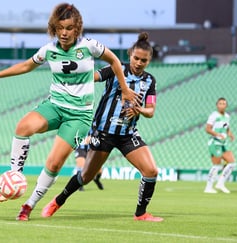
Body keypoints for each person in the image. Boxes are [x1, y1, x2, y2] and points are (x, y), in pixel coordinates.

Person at [0, 2, 137, 221]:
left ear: (77, 28)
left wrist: (126, 89)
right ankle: (14, 177)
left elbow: (115, 61)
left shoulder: (89, 46)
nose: (64, 32)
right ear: (54, 27)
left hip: (78, 115)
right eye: (60, 27)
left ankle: (29, 204)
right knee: (23, 127)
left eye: (69, 28)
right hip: (55, 105)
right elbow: (26, 66)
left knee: (54, 163)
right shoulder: (49, 50)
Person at [42, 32, 164, 222]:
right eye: (136, 58)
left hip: (127, 134)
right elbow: (93, 76)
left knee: (151, 171)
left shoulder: (150, 81)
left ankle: (141, 213)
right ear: (130, 54)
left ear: (149, 61)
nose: (139, 63)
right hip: (103, 133)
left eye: (144, 60)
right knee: (86, 176)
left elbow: (151, 111)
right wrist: (73, 75)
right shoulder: (116, 69)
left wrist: (139, 110)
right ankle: (58, 201)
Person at [204, 97, 236, 194]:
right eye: (220, 103)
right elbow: (207, 129)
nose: (222, 105)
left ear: (226, 106)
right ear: (217, 105)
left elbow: (226, 127)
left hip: (223, 143)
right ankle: (208, 187)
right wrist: (217, 134)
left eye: (224, 103)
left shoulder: (227, 116)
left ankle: (220, 183)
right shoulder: (214, 115)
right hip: (214, 142)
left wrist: (230, 134)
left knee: (232, 163)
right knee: (216, 165)